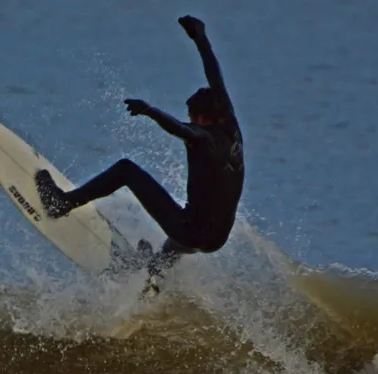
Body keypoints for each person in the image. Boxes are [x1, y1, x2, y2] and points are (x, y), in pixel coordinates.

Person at [35, 15, 244, 295]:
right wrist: (200, 37)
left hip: (191, 231)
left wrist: (150, 111)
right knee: (181, 235)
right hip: (218, 238)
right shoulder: (230, 124)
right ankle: (152, 276)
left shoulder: (202, 136)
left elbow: (181, 129)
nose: (190, 121)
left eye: (193, 118)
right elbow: (215, 78)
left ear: (202, 118)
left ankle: (62, 204)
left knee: (125, 170)